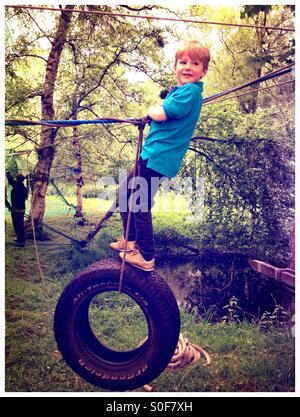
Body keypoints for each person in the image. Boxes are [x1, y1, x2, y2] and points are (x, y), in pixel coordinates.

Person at [110, 40, 210, 271]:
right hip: (152, 155)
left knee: (139, 202)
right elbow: (170, 105)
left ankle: (146, 255)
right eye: (183, 62)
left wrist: (150, 111)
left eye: (195, 64)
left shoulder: (191, 92)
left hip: (159, 157)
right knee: (125, 193)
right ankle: (130, 240)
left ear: (203, 71)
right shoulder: (182, 91)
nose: (187, 67)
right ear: (175, 66)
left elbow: (162, 113)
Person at [6, 170, 28, 246]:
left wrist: (7, 172)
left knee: (16, 225)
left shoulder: (16, 185)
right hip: (22, 209)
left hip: (16, 210)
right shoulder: (24, 188)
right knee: (20, 225)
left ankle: (20, 241)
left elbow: (10, 179)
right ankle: (20, 239)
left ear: (17, 179)